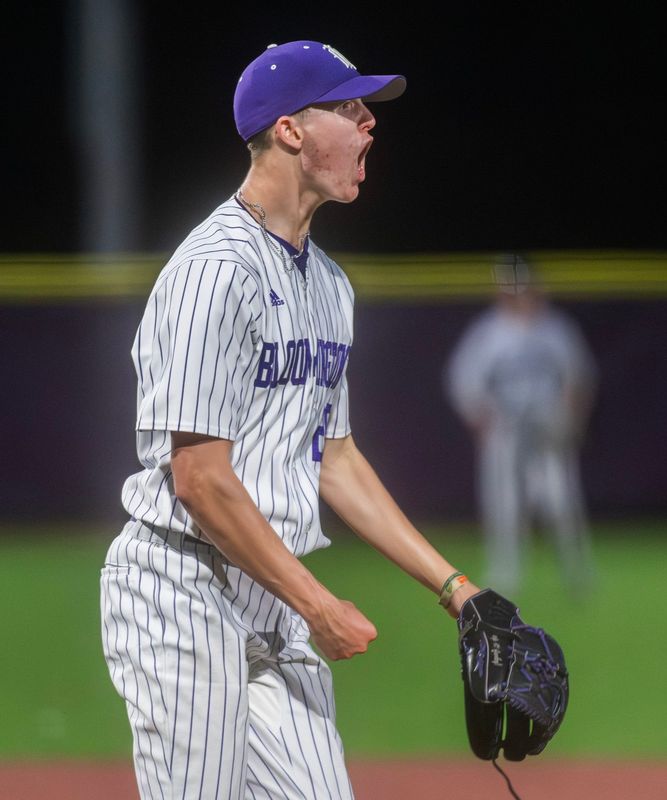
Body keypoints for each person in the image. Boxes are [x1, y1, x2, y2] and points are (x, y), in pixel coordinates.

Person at [100, 40, 480, 800]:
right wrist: (318, 602)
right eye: (348, 107)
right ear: (290, 130)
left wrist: (458, 589)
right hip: (182, 588)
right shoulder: (216, 272)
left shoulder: (328, 286)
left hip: (272, 594)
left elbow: (333, 457)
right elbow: (201, 480)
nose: (370, 122)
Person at [444, 254, 597, 597]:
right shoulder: (488, 332)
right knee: (504, 503)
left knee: (560, 501)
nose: (519, 294)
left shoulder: (555, 328)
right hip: (506, 427)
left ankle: (577, 571)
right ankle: (505, 574)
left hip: (547, 426)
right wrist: (480, 416)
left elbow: (578, 376)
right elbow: (463, 381)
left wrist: (572, 417)